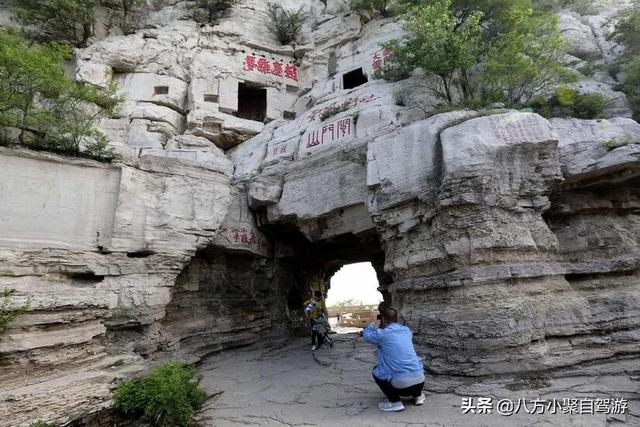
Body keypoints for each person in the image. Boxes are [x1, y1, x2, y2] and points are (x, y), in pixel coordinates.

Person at [362, 305, 426, 412]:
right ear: (396, 318)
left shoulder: (382, 334)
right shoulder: (406, 331)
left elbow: (367, 336)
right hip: (420, 381)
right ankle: (418, 396)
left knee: (376, 371)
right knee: (415, 365)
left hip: (400, 385)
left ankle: (395, 402)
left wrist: (373, 323)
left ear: (382, 318)